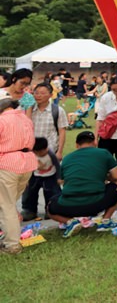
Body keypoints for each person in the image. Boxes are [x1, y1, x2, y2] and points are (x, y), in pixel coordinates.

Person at [47, 130, 117, 237]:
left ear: (76, 145)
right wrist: (104, 176)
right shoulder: (104, 153)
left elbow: (60, 181)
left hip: (68, 206)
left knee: (50, 207)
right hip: (97, 203)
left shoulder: (67, 158)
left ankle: (70, 222)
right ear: (95, 142)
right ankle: (106, 220)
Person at [0, 95, 36, 254]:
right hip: (26, 164)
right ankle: (10, 238)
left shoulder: (2, 121)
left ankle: (12, 245)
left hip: (7, 163)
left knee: (6, 206)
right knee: (9, 204)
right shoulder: (25, 119)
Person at [21, 136, 61, 222]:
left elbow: (57, 166)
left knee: (52, 193)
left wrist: (59, 177)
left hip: (50, 176)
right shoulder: (31, 155)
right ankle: (29, 211)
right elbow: (27, 166)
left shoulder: (51, 154)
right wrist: (26, 179)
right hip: (35, 176)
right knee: (29, 193)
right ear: (34, 151)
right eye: (39, 152)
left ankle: (51, 210)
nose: (42, 153)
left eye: (44, 150)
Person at [26, 82, 67, 159]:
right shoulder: (29, 110)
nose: (38, 96)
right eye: (36, 93)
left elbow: (62, 132)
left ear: (50, 95)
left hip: (50, 152)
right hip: (31, 152)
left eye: (42, 93)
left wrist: (59, 152)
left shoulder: (58, 111)